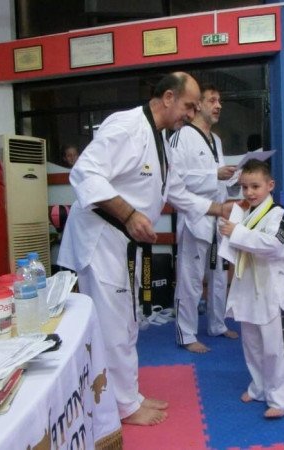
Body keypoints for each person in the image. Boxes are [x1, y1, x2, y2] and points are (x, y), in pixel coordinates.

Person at [58, 72, 232, 426]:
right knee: (114, 325)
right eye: (188, 106)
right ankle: (124, 405)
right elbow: (84, 173)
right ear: (167, 98)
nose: (191, 114)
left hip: (125, 242)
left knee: (129, 320)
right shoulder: (127, 127)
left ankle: (127, 394)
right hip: (102, 238)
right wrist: (129, 214)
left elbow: (178, 193)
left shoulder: (161, 141)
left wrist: (219, 209)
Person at [218, 159, 284, 419]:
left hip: (272, 287)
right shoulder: (246, 213)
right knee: (252, 343)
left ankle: (281, 398)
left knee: (277, 346)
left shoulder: (277, 213)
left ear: (270, 185)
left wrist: (236, 233)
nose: (249, 192)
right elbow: (234, 244)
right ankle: (259, 387)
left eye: (255, 186)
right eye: (244, 187)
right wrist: (229, 228)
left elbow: (274, 245)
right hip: (248, 286)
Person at [167, 83, 239, 353]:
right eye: (212, 100)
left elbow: (218, 182)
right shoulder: (181, 136)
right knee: (191, 278)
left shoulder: (216, 140)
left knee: (219, 275)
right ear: (197, 105)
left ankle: (217, 324)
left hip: (218, 219)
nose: (218, 105)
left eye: (220, 101)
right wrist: (214, 175)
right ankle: (186, 334)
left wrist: (233, 180)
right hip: (194, 217)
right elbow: (175, 180)